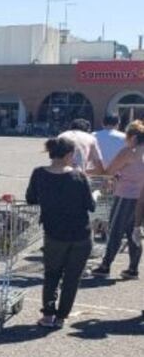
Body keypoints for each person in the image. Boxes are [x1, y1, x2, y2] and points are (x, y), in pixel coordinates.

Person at [25, 137, 96, 328]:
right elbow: (90, 205)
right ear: (68, 155)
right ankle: (61, 317)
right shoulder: (79, 176)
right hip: (81, 234)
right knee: (72, 278)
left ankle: (48, 314)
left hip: (54, 233)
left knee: (52, 274)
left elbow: (30, 198)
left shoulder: (39, 173)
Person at [92, 121, 144, 280]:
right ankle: (133, 269)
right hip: (140, 198)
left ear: (133, 137)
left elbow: (109, 171)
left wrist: (95, 170)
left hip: (125, 196)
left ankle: (105, 265)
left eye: (127, 136)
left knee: (115, 230)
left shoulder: (128, 152)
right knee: (133, 231)